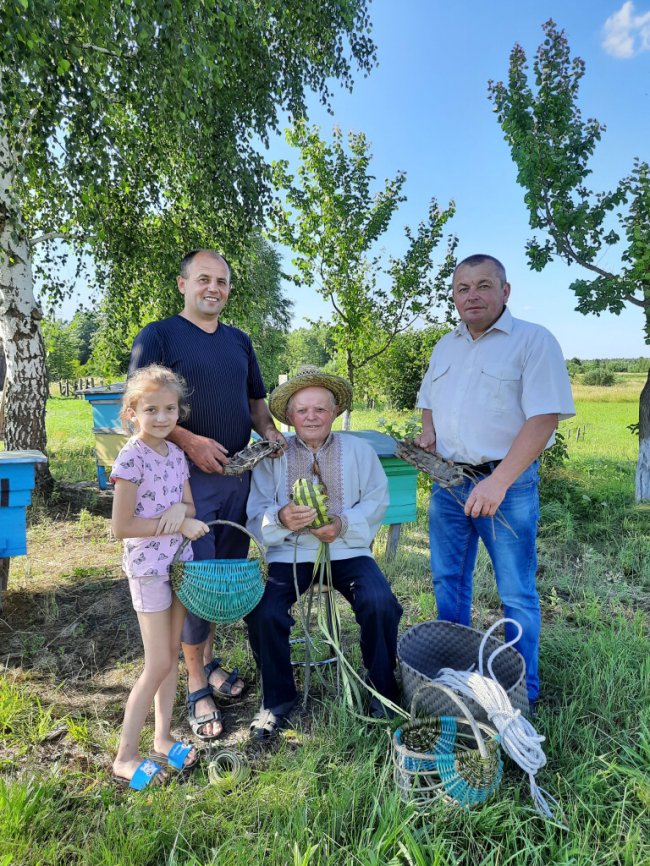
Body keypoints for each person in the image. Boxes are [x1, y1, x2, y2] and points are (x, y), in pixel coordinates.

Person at [129, 250, 286, 740]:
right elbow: (138, 405)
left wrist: (271, 431)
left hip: (239, 480)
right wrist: (190, 440)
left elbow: (256, 403)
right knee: (195, 580)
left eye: (221, 280)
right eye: (203, 279)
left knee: (221, 580)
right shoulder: (158, 336)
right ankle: (196, 683)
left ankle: (207, 658)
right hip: (185, 486)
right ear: (182, 284)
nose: (213, 288)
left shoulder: (240, 341)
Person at [415, 253, 575, 705]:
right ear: (454, 296)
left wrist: (498, 482)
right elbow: (429, 396)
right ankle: (458, 674)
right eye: (463, 288)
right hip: (449, 484)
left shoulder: (533, 341)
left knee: (515, 591)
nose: (472, 296)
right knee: (448, 581)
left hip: (506, 487)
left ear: (505, 291)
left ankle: (522, 691)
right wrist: (428, 433)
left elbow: (544, 419)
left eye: (483, 285)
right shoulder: (446, 345)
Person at [245, 366, 403, 738]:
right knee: (263, 610)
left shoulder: (360, 451)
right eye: (303, 411)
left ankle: (382, 686)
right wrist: (281, 517)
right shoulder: (272, 456)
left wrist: (343, 524)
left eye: (320, 409)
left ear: (334, 413)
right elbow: (256, 509)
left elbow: (377, 500)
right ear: (289, 417)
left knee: (380, 602)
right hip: (290, 553)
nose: (311, 417)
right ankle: (276, 700)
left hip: (348, 551)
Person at [111, 365, 209, 788]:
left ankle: (163, 737)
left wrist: (179, 515)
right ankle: (125, 756)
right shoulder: (131, 456)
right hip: (150, 569)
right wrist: (175, 523)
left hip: (178, 564)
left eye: (170, 408)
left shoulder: (176, 454)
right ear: (132, 412)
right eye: (151, 409)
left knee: (170, 655)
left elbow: (188, 506)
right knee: (157, 664)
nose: (162, 417)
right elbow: (122, 526)